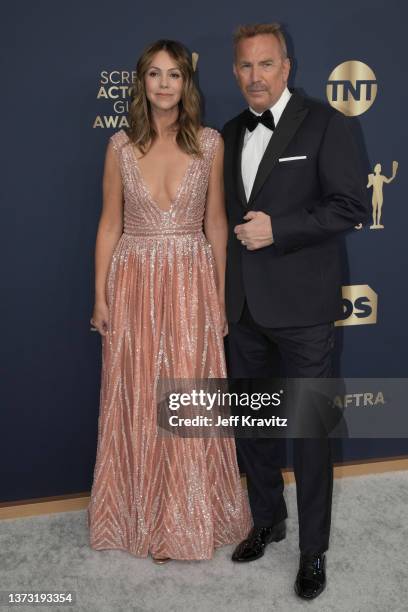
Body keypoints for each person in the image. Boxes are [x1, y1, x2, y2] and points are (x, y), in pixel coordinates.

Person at [87, 39, 252, 563]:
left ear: (187, 83)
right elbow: (110, 222)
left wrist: (220, 299)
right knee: (137, 393)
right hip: (133, 280)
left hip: (190, 279)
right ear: (142, 82)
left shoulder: (209, 143)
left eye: (174, 74)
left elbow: (217, 224)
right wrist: (100, 296)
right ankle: (144, 515)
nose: (164, 84)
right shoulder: (118, 146)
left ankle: (185, 516)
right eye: (155, 74)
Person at [221, 23, 368, 598]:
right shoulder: (229, 132)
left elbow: (351, 206)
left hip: (305, 309)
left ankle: (313, 552)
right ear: (235, 73)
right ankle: (267, 520)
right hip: (244, 309)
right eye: (244, 66)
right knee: (254, 427)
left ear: (287, 67)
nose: (255, 76)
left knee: (310, 434)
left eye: (265, 64)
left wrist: (279, 230)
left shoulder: (329, 123)